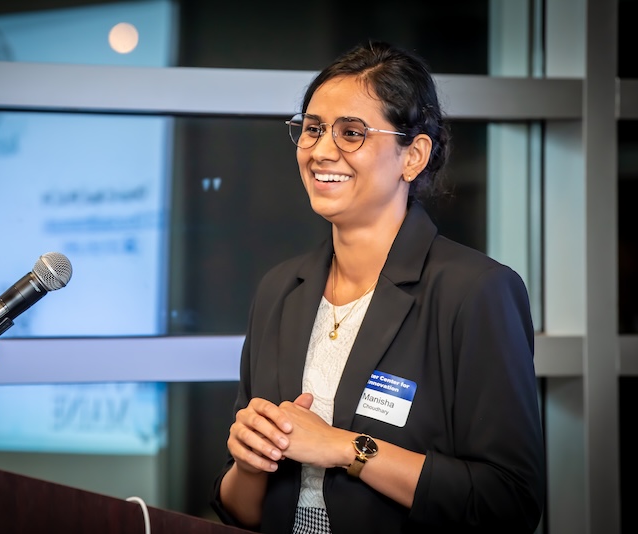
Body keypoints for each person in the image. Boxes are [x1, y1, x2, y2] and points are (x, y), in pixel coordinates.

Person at [209, 40, 546, 534]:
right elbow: (242, 512)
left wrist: (346, 448)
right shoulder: (280, 289)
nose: (322, 150)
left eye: (351, 133)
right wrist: (248, 462)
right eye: (313, 129)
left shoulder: (477, 292)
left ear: (413, 157)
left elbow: (509, 503)